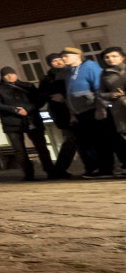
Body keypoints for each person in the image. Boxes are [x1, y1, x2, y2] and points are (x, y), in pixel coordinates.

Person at [0, 66, 55, 181]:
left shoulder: (28, 86)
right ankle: (28, 174)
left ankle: (50, 171)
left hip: (32, 121)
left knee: (42, 147)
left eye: (12, 73)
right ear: (2, 77)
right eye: (6, 75)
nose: (10, 76)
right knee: (19, 150)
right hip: (12, 123)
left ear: (16, 74)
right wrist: (14, 109)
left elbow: (38, 101)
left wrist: (27, 109)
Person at [60, 47, 113, 176]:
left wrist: (100, 108)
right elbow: (69, 94)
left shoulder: (90, 67)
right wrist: (72, 113)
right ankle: (95, 168)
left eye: (66, 56)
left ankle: (106, 169)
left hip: (92, 109)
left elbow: (99, 87)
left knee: (100, 142)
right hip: (79, 112)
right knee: (87, 143)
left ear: (77, 56)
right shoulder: (68, 72)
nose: (63, 59)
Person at [39, 54, 77, 178]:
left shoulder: (72, 73)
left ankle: (61, 169)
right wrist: (52, 96)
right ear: (50, 64)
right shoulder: (47, 78)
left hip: (77, 109)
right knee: (71, 140)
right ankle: (60, 169)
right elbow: (41, 95)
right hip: (61, 112)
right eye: (54, 61)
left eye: (60, 59)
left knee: (77, 140)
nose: (58, 62)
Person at [97, 46, 126, 171]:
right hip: (119, 109)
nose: (110, 59)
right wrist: (111, 95)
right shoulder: (104, 74)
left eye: (114, 56)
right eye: (107, 57)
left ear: (122, 57)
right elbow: (101, 93)